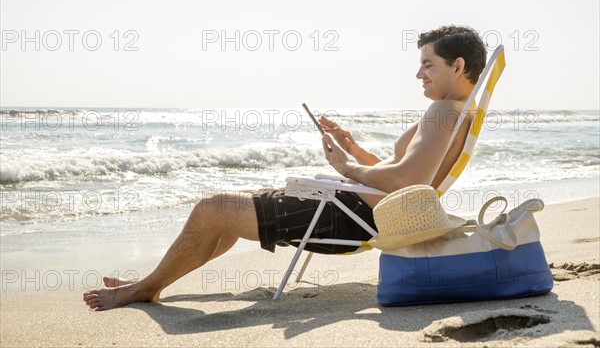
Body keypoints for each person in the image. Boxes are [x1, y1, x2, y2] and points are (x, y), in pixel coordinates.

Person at [83, 25, 487, 311]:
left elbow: (406, 182)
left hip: (349, 218)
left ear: (457, 66)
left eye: (428, 65)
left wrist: (345, 166)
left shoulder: (442, 112)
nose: (418, 73)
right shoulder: (454, 113)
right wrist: (355, 150)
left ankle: (145, 289)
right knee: (228, 209)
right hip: (353, 210)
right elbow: (403, 171)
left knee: (212, 208)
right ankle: (148, 284)